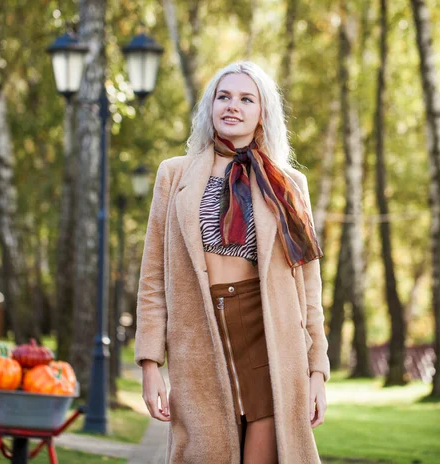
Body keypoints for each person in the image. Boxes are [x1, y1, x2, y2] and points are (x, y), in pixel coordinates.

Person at [134, 61, 330, 464]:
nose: (232, 106)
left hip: (271, 336)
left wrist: (316, 372)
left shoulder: (287, 184)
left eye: (246, 98)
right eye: (224, 96)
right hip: (199, 337)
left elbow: (309, 287)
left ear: (263, 112)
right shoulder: (174, 176)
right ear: (210, 106)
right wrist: (150, 362)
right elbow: (152, 276)